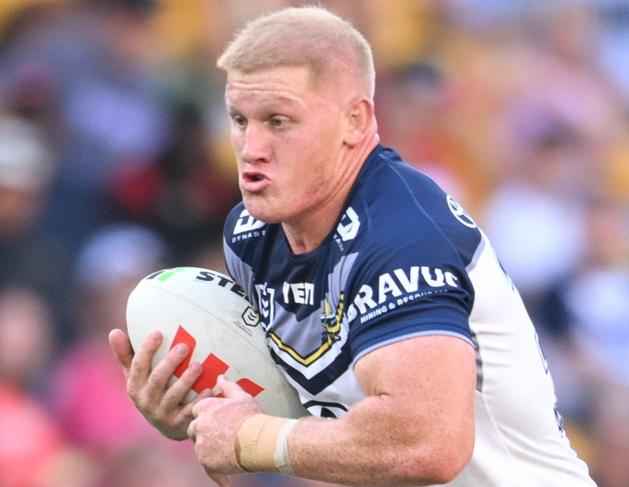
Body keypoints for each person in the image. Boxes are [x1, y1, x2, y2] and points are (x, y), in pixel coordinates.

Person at [109, 6, 598, 486]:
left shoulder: (402, 240)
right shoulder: (252, 236)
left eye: (279, 121)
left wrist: (246, 438)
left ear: (355, 122)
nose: (251, 147)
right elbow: (317, 421)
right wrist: (197, 412)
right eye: (240, 119)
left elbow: (428, 444)